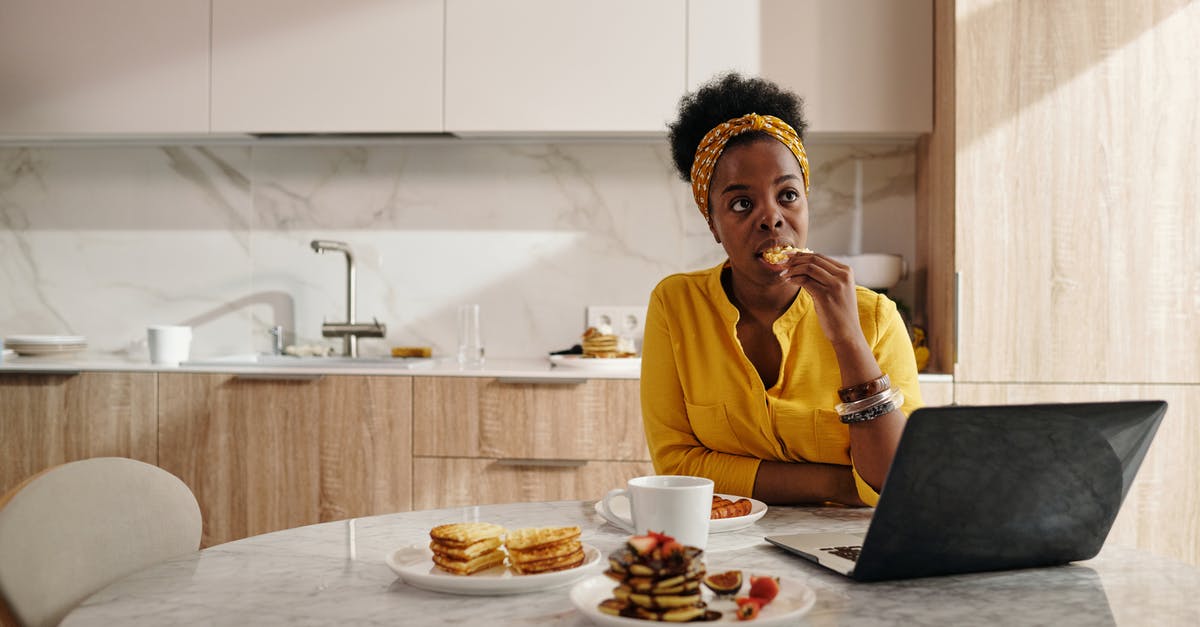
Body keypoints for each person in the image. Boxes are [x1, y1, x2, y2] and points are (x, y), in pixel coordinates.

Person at [641, 73, 921, 507]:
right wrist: (839, 485)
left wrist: (847, 338)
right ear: (713, 225)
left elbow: (897, 480)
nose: (771, 218)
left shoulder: (876, 318)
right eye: (741, 203)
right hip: (724, 542)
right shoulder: (676, 305)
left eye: (787, 195)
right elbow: (677, 466)